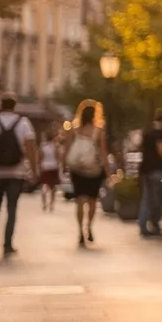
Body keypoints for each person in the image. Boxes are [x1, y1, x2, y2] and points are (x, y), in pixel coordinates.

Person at [0, 95, 38, 256]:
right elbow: (31, 149)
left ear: (0, 105)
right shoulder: (23, 124)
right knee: (12, 209)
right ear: (14, 106)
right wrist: (33, 170)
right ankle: (7, 244)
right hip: (16, 172)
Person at [61, 101, 108, 247]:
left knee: (80, 201)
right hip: (93, 170)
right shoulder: (98, 131)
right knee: (92, 201)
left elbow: (67, 148)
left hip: (77, 170)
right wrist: (108, 172)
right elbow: (103, 153)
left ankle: (81, 231)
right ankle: (89, 227)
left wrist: (64, 164)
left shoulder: (73, 130)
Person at [137, 110, 162, 239]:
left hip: (145, 170)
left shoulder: (148, 133)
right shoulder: (160, 134)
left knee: (146, 198)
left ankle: (143, 225)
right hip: (158, 171)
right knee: (157, 199)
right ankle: (155, 225)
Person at [36, 130, 61, 211]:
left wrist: (39, 167)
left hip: (45, 167)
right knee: (53, 187)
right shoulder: (55, 146)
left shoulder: (42, 146)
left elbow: (40, 157)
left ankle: (44, 204)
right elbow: (58, 157)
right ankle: (51, 204)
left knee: (44, 186)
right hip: (53, 167)